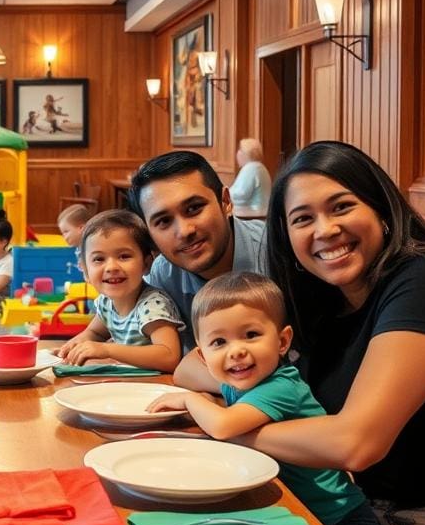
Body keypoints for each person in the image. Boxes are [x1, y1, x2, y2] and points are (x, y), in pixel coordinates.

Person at [230, 140, 425, 525]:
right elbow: (198, 364)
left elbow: (356, 443)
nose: (326, 229)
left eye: (341, 207)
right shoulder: (324, 304)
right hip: (372, 517)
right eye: (302, 219)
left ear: (381, 208)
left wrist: (229, 433)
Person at [147, 271, 380, 525]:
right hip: (296, 511)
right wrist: (209, 400)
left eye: (251, 335)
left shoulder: (279, 386)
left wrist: (191, 400)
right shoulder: (240, 383)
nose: (237, 351)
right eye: (219, 342)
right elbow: (214, 400)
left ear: (282, 341)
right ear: (203, 356)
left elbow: (222, 426)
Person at [130, 151, 267, 381]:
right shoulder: (165, 274)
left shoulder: (276, 254)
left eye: (194, 208)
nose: (185, 231)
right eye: (163, 221)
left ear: (226, 202)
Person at [57, 210, 182, 370]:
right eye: (99, 259)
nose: (111, 267)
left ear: (146, 263)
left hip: (156, 387)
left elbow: (169, 357)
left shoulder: (152, 305)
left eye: (124, 256)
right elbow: (95, 334)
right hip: (124, 383)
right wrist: (70, 349)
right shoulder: (106, 302)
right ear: (85, 271)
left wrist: (107, 349)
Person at [229, 137, 272, 218]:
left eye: (240, 150)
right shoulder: (260, 167)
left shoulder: (251, 168)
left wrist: (224, 194)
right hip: (260, 215)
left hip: (250, 218)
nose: (237, 154)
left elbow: (241, 195)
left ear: (245, 153)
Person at [57, 203, 90, 269]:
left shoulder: (92, 247)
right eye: (62, 233)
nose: (63, 236)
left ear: (81, 228)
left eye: (66, 231)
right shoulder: (79, 246)